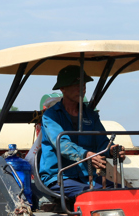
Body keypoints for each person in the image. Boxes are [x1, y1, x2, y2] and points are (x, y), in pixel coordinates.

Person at [38, 65, 119, 200]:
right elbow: (62, 144)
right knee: (94, 195)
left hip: (87, 178)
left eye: (84, 84)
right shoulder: (51, 116)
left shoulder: (91, 115)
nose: (82, 88)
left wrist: (111, 150)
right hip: (59, 177)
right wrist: (86, 155)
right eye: (76, 84)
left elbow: (102, 143)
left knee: (122, 193)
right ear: (62, 88)